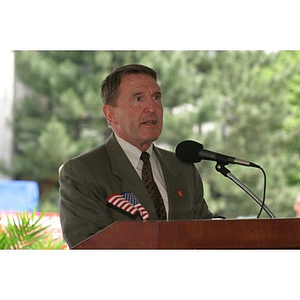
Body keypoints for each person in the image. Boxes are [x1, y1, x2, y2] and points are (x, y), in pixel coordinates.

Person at [59, 64, 213, 248]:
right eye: (138, 99)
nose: (152, 107)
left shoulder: (183, 168)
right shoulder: (83, 172)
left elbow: (207, 236)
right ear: (111, 114)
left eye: (156, 97)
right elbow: (87, 246)